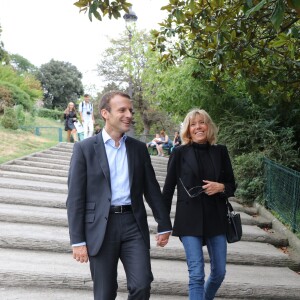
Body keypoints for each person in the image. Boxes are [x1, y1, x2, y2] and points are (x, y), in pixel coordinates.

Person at [66, 90, 172, 300]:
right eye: (122, 110)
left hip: (133, 224)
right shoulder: (84, 149)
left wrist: (164, 223)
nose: (129, 115)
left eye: (130, 110)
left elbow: (151, 189)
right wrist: (77, 241)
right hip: (100, 228)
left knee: (142, 285)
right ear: (105, 113)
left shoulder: (138, 149)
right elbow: (75, 198)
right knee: (105, 294)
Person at [162, 108, 236, 300]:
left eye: (201, 122)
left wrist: (220, 187)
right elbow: (168, 190)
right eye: (193, 124)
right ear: (188, 129)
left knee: (219, 272)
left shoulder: (220, 151)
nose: (198, 127)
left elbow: (232, 185)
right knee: (196, 274)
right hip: (189, 220)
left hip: (216, 219)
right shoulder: (179, 153)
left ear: (208, 126)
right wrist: (164, 224)